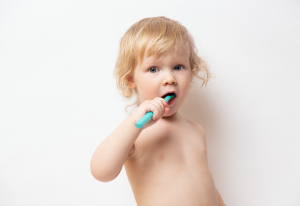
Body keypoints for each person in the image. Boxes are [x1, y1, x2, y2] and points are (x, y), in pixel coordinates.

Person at [90, 16, 226, 206]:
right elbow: (101, 172)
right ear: (131, 79)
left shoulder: (197, 131)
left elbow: (206, 185)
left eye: (178, 67)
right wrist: (133, 123)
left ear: (192, 70)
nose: (170, 78)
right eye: (154, 69)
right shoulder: (136, 132)